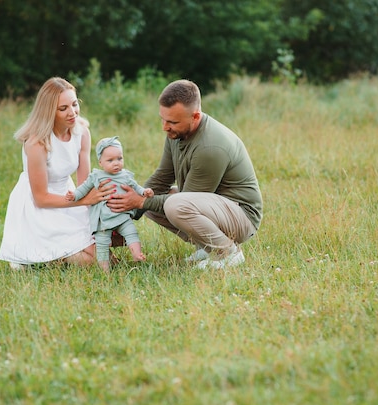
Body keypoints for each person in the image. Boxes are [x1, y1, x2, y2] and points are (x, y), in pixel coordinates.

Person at [107, 79, 263, 269]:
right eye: (162, 119)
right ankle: (208, 247)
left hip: (242, 217)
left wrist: (141, 201)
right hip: (216, 206)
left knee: (173, 205)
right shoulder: (176, 133)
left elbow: (186, 199)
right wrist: (126, 215)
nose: (165, 127)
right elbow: (161, 178)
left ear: (195, 116)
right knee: (151, 195)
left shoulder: (211, 148)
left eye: (172, 122)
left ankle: (227, 253)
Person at [0, 77, 116, 270]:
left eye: (75, 104)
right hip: (41, 207)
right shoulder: (37, 143)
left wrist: (97, 208)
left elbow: (84, 183)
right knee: (90, 261)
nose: (72, 113)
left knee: (105, 256)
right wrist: (84, 201)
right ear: (49, 111)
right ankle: (36, 256)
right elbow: (40, 198)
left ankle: (57, 252)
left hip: (70, 196)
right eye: (63, 108)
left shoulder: (82, 132)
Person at [65, 136, 154, 272]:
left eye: (119, 158)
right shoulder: (96, 177)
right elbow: (84, 188)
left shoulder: (125, 176)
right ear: (100, 162)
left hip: (122, 216)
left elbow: (136, 187)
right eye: (110, 160)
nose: (116, 163)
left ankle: (137, 253)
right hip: (103, 219)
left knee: (131, 233)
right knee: (102, 243)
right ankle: (104, 269)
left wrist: (144, 192)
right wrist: (75, 195)